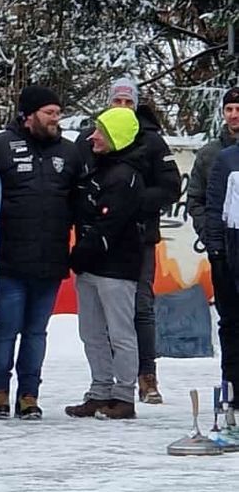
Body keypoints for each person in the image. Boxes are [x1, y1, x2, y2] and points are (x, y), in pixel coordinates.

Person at [78, 78, 180, 404]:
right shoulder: (92, 138)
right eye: (117, 102)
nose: (123, 107)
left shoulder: (152, 141)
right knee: (98, 317)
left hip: (139, 235)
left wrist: (132, 201)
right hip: (99, 237)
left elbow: (170, 187)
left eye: (128, 103)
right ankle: (103, 384)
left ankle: (145, 375)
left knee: (140, 305)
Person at [0, 86, 81, 419]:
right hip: (9, 260)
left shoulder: (70, 153)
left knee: (37, 331)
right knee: (6, 327)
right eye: (49, 113)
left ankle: (29, 394)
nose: (56, 119)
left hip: (51, 259)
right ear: (28, 116)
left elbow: (78, 204)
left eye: (58, 112)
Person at [66, 107, 146, 419]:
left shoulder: (126, 176)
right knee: (92, 331)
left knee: (120, 332)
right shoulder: (98, 169)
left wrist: (83, 251)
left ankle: (124, 395)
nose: (93, 137)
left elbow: (109, 223)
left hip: (116, 267)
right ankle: (100, 389)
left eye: (100, 132)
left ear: (118, 138)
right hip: (91, 265)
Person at [199, 87, 239, 411]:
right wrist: (216, 248)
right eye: (230, 108)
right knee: (231, 326)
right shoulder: (221, 158)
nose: (234, 114)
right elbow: (210, 207)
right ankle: (233, 392)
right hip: (229, 257)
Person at [188, 87, 239, 241]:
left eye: (238, 109)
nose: (234, 115)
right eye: (229, 109)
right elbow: (195, 199)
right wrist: (209, 236)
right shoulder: (209, 153)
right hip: (221, 246)